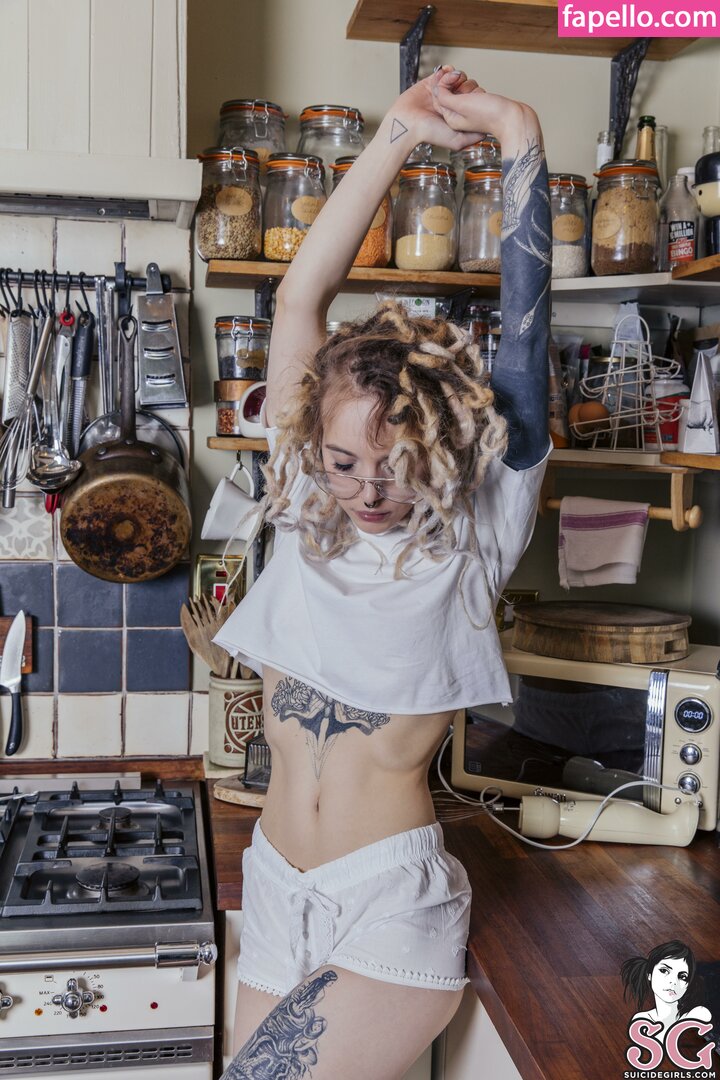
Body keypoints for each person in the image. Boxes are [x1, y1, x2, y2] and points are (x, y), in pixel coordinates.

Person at [215, 65, 552, 1080]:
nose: (367, 490)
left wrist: (520, 135)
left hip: (385, 902)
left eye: (396, 466)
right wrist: (397, 133)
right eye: (344, 462)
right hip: (277, 888)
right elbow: (301, 294)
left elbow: (526, 336)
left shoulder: (473, 527)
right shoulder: (300, 496)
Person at [622, 940, 711, 1044]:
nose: (673, 982)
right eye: (664, 971)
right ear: (649, 975)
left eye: (682, 977)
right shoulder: (641, 1020)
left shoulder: (699, 1013)